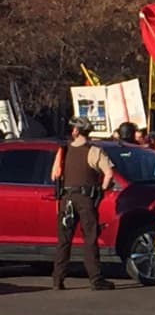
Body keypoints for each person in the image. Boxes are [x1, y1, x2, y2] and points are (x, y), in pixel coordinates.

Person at [50, 116, 115, 291]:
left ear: (76, 131)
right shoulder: (94, 150)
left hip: (66, 199)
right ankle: (96, 279)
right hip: (86, 199)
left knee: (64, 240)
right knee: (90, 239)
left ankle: (58, 279)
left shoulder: (63, 150)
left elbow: (55, 174)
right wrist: (101, 189)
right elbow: (109, 173)